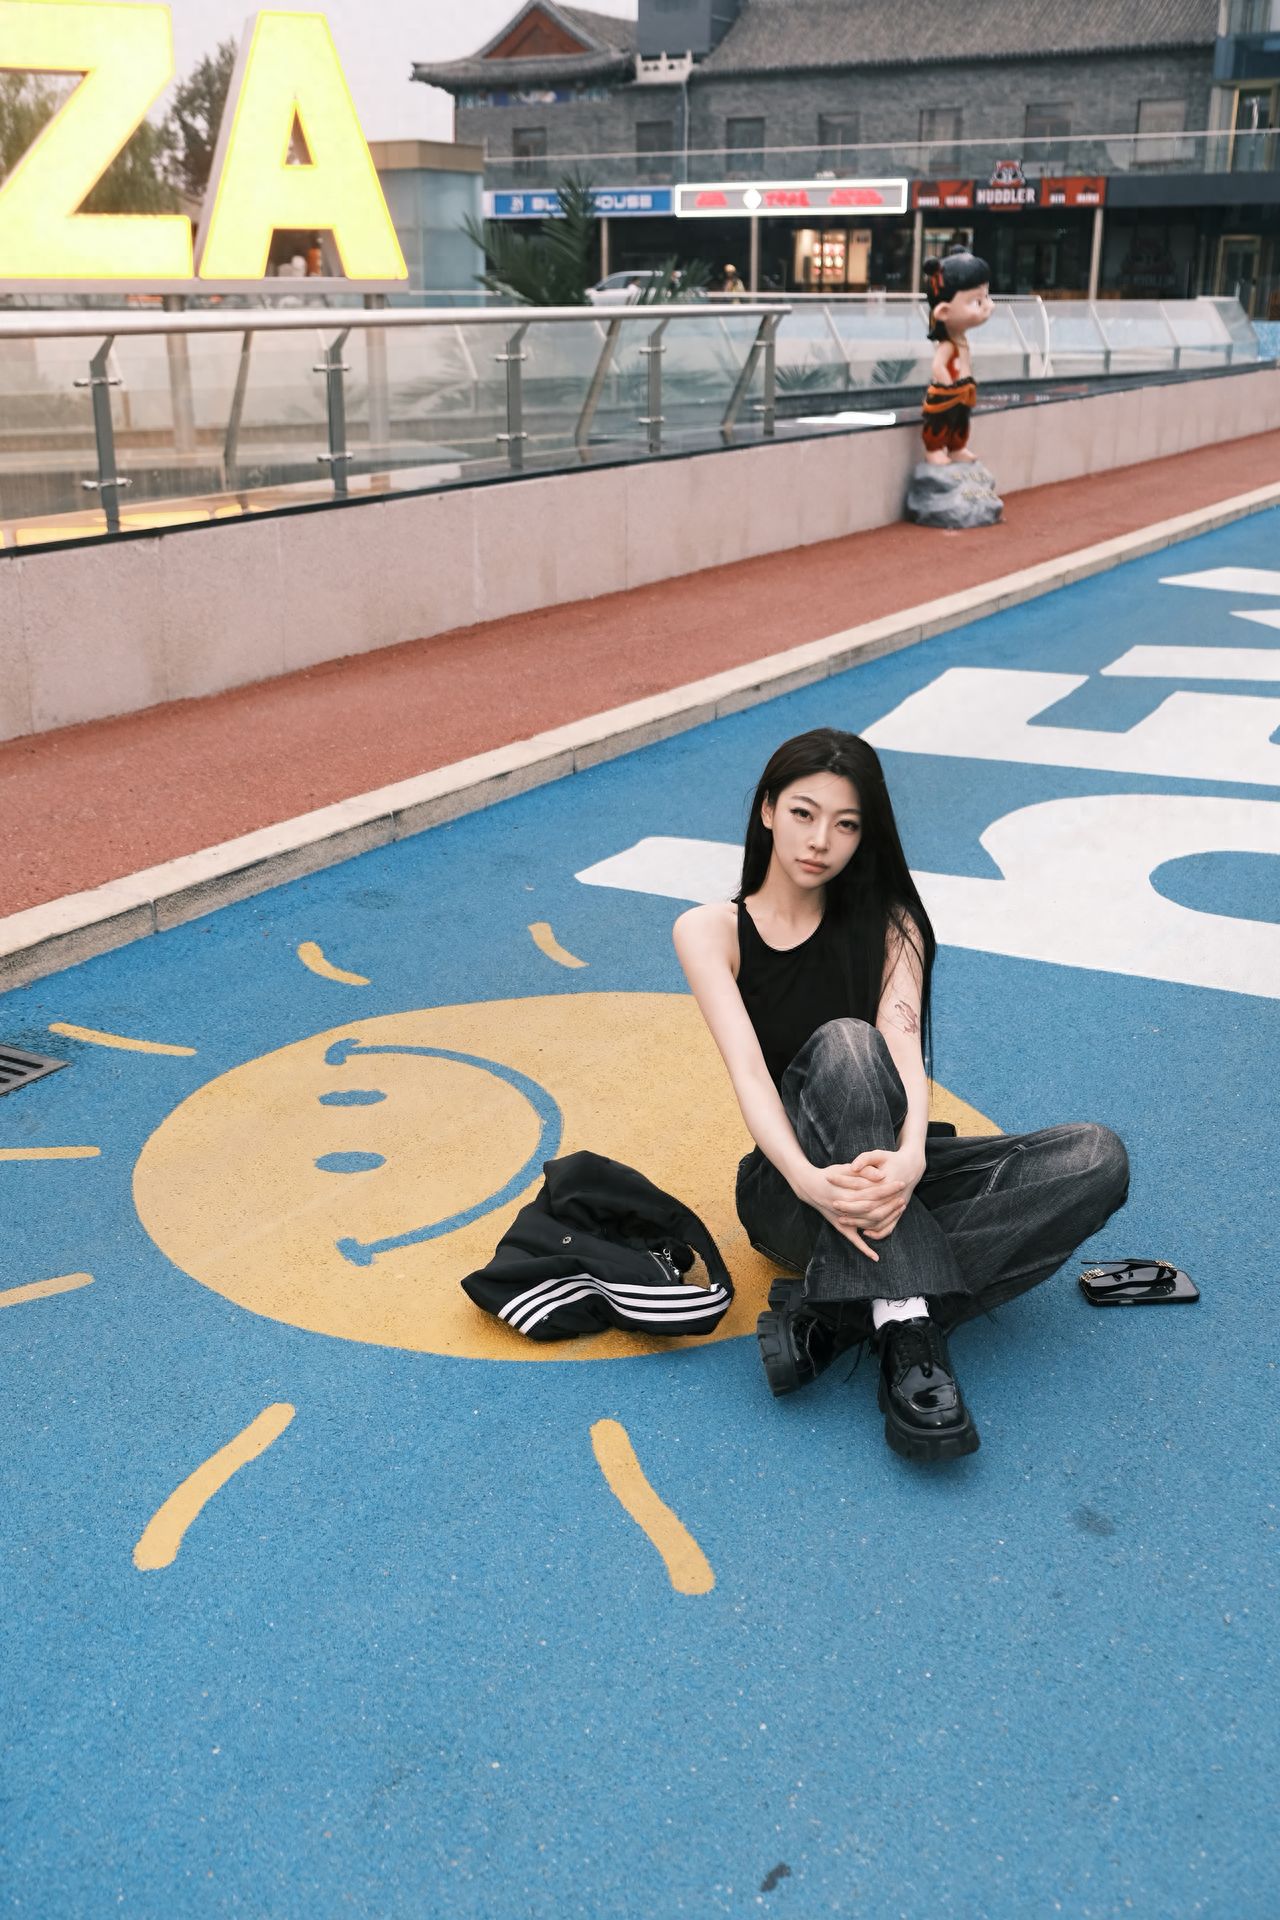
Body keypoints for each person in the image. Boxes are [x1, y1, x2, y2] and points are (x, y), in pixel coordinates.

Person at [672, 728, 1130, 1464]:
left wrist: (913, 1154)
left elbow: (906, 1055)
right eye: (803, 813)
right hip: (793, 1191)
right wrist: (808, 1180)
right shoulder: (709, 931)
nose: (820, 840)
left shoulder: (894, 925)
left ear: (866, 835)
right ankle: (909, 1330)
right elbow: (751, 1077)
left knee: (1096, 1159)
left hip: (893, 1175)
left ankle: (844, 1312)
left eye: (846, 824)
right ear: (767, 811)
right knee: (847, 1043)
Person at [920, 248, 993, 465]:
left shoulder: (960, 340)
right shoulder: (948, 344)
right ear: (944, 311)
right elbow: (938, 366)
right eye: (977, 301)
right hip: (948, 392)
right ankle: (934, 449)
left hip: (963, 389)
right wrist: (948, 386)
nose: (988, 306)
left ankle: (957, 447)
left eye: (986, 297)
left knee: (961, 421)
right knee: (940, 422)